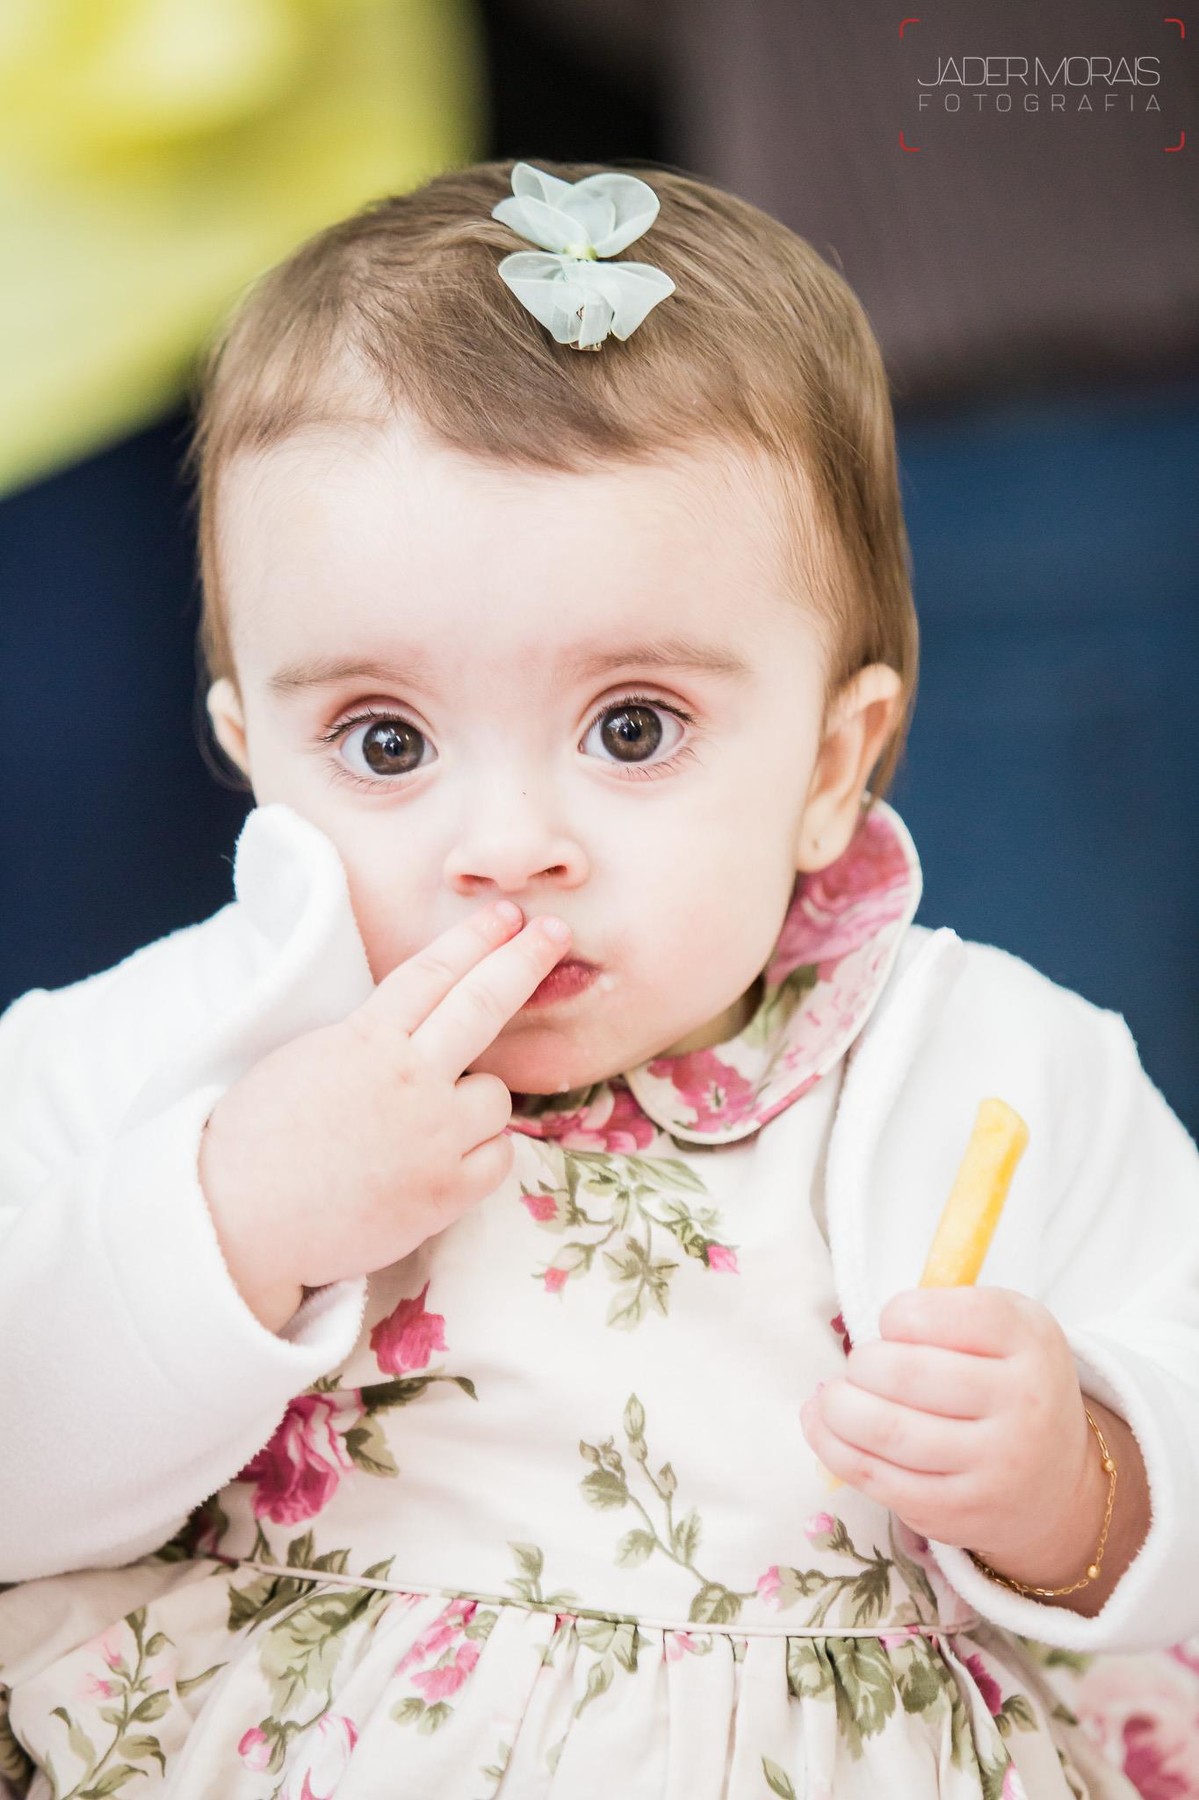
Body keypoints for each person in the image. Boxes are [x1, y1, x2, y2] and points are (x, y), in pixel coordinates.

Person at [1, 158, 1197, 1799]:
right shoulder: (159, 1056)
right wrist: (226, 1224)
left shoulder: (996, 1065)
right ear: (249, 752)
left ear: (832, 763)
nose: (506, 843)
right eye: (385, 741)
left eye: (633, 728)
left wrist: (1075, 1481)